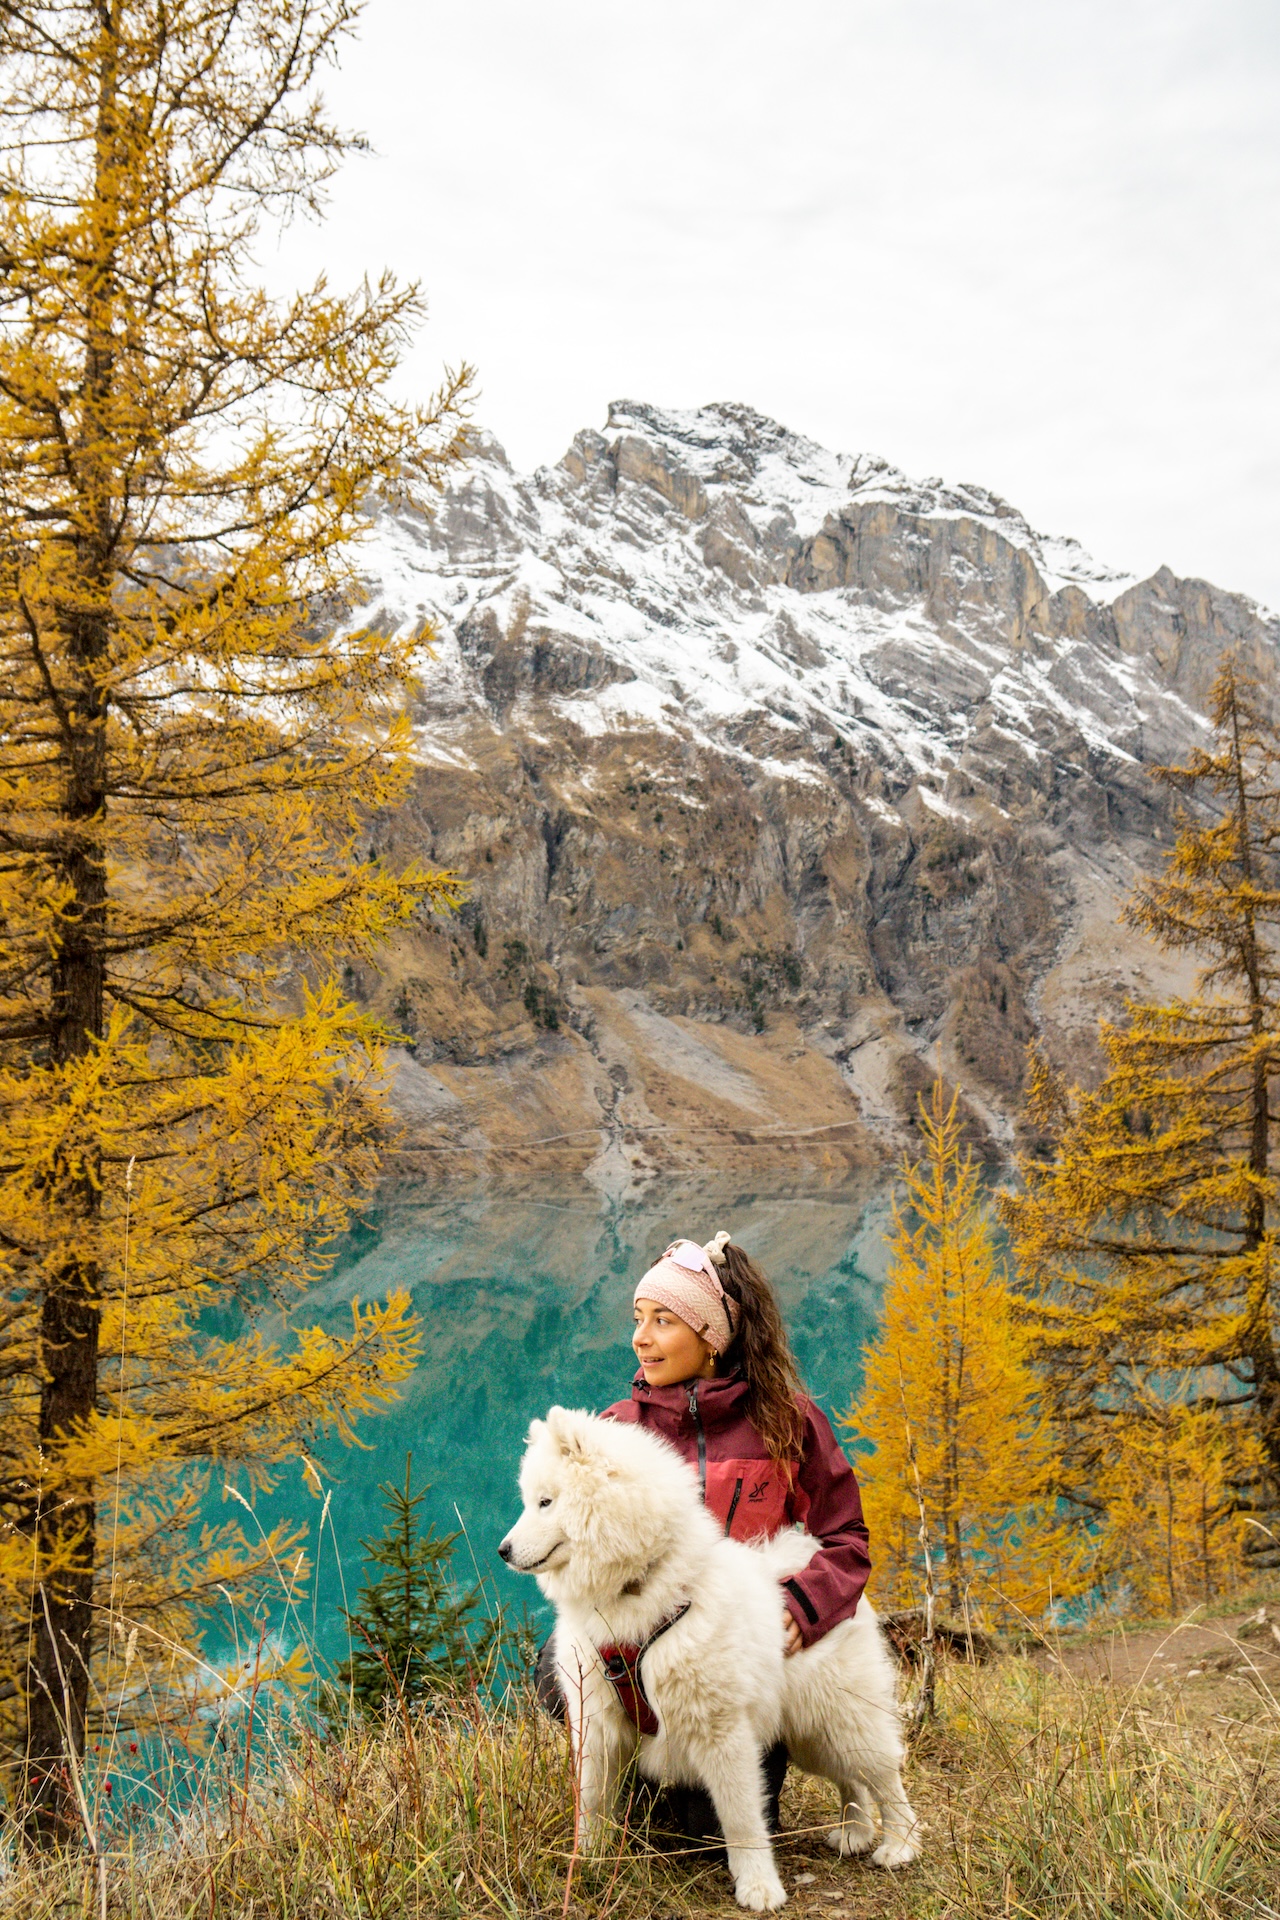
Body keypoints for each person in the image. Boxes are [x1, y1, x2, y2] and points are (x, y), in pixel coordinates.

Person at [546, 1229, 871, 1845]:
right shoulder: (617, 1429)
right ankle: (641, 1773)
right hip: (636, 1658)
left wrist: (803, 1607)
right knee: (556, 1668)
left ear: (713, 1338)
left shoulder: (786, 1420)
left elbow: (847, 1538)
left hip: (735, 1659)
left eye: (663, 1320)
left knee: (708, 1840)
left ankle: (733, 1761)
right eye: (638, 1318)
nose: (641, 1337)